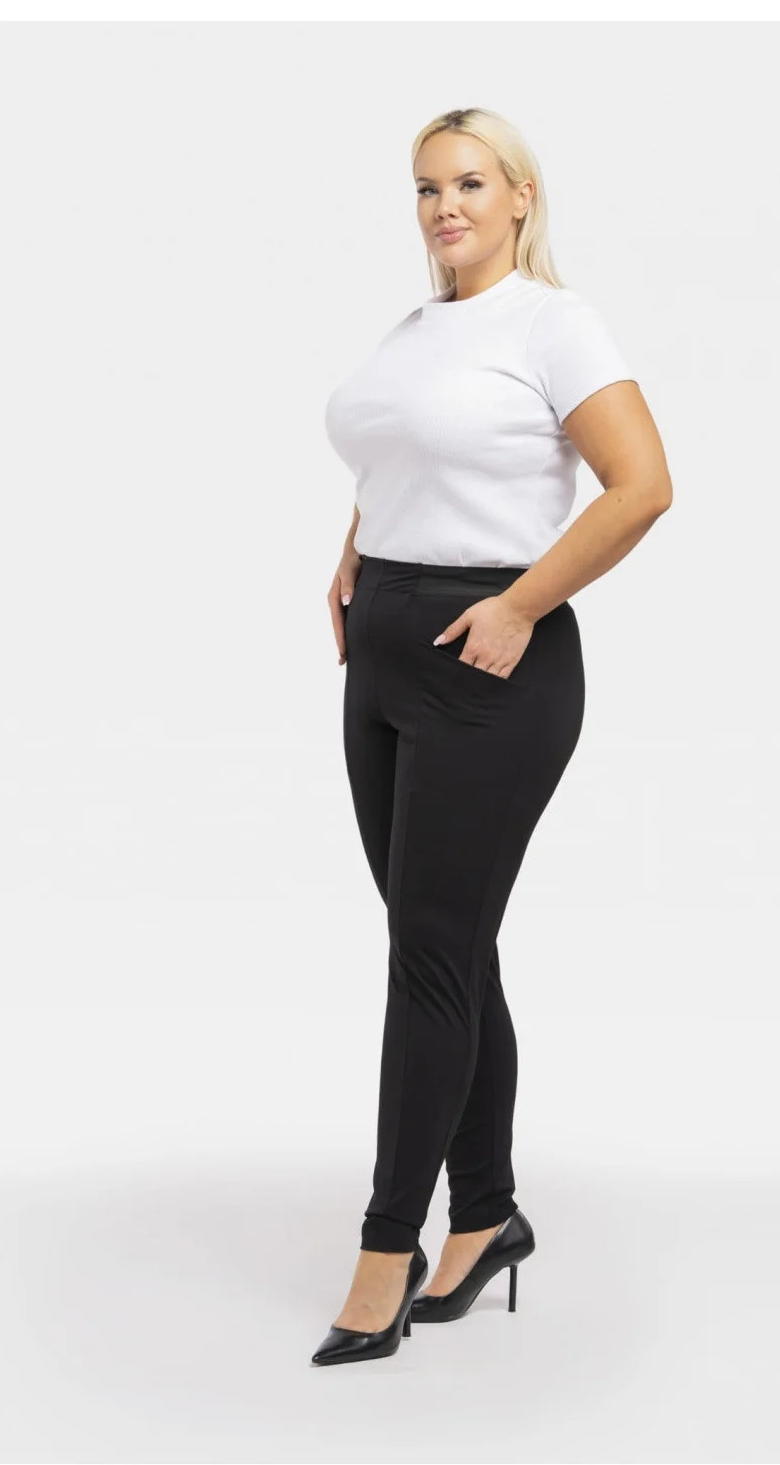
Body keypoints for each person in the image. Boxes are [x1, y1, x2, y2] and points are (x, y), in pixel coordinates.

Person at [311, 107, 672, 1367]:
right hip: (384, 653)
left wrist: (520, 605)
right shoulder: (417, 330)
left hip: (489, 664)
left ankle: (386, 1249)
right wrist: (354, 555)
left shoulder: (552, 324)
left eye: (468, 183)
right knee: (446, 951)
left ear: (519, 194)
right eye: (425, 189)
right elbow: (397, 461)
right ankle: (487, 1215)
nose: (443, 207)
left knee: (428, 960)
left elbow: (642, 485)